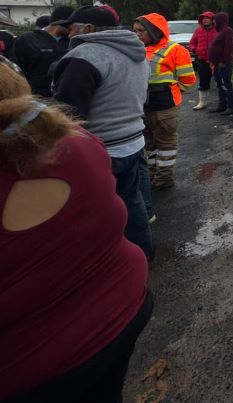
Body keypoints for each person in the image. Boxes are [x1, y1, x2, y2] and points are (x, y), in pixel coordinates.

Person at [0, 58, 152, 402]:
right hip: (123, 305)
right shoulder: (79, 143)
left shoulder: (83, 62)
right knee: (135, 196)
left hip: (31, 369)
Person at [51, 5, 154, 260]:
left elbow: (68, 113)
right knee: (132, 202)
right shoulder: (136, 52)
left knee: (101, 212)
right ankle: (143, 255)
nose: (68, 33)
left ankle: (115, 268)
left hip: (102, 149)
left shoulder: (85, 56)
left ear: (89, 29)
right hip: (132, 141)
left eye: (72, 28)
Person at [133, 13, 196, 192]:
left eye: (141, 31)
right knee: (149, 143)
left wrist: (172, 92)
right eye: (135, 31)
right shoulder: (135, 49)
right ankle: (152, 174)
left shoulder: (175, 50)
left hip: (164, 107)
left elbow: (188, 80)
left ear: (153, 31)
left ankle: (164, 178)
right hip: (142, 107)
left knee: (166, 144)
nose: (137, 35)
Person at [11, 5, 73, 97]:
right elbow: (15, 70)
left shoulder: (73, 41)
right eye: (72, 24)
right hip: (35, 98)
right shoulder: (27, 39)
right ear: (61, 22)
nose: (74, 28)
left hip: (65, 97)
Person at [208, 11, 233, 115]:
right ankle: (222, 105)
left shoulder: (227, 31)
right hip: (217, 64)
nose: (213, 22)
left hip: (223, 63)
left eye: (214, 20)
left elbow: (228, 47)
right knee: (219, 85)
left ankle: (232, 106)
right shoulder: (220, 32)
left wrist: (223, 61)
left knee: (226, 84)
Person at [187, 10, 216, 110]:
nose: (205, 20)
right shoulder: (198, 31)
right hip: (202, 60)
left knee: (220, 82)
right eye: (203, 19)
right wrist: (195, 49)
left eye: (207, 18)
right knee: (203, 81)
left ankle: (223, 103)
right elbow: (192, 43)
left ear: (213, 20)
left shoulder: (217, 30)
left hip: (215, 60)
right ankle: (202, 102)